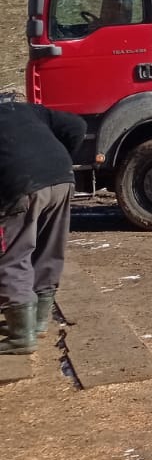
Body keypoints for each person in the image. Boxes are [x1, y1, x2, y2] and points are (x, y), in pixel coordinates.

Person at [0, 100, 87, 355]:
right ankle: (37, 322)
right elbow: (77, 126)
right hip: (61, 178)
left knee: (12, 255)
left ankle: (21, 336)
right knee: (49, 247)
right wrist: (60, 160)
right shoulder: (26, 110)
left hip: (20, 184)